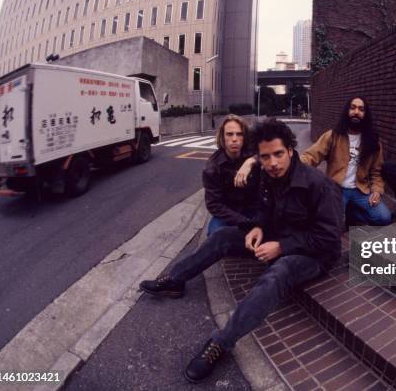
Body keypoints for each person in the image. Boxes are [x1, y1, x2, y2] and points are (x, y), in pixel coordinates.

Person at [138, 119, 343, 383]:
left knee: (279, 271)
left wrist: (282, 246)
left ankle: (220, 343)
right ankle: (176, 279)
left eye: (279, 154)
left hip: (314, 255)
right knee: (223, 236)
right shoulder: (269, 178)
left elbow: (329, 238)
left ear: (291, 151)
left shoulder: (319, 185)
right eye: (265, 157)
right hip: (278, 236)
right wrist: (258, 226)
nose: (273, 163)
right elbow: (265, 210)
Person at [300, 96, 391, 226]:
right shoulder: (333, 135)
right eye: (352, 108)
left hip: (360, 190)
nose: (356, 112)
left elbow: (377, 171)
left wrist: (377, 190)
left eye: (361, 109)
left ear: (365, 114)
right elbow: (311, 156)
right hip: (336, 189)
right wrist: (292, 165)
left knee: (384, 218)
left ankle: (351, 211)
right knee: (334, 225)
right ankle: (346, 212)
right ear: (347, 111)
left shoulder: (373, 140)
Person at [204, 114, 257, 236]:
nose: (234, 139)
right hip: (227, 214)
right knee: (215, 235)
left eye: (239, 134)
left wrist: (250, 162)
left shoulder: (252, 153)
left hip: (253, 209)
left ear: (244, 137)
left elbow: (267, 155)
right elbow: (214, 205)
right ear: (222, 137)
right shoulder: (212, 167)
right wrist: (244, 222)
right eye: (229, 134)